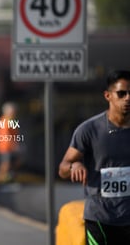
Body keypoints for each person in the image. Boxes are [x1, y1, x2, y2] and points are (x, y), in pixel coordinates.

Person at [58, 70, 130, 244]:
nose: (128, 98)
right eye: (122, 93)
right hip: (100, 219)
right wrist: (74, 166)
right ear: (108, 96)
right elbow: (63, 167)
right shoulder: (89, 130)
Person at [0, 102, 22, 181]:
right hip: (6, 147)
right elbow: (6, 135)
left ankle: (11, 179)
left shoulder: (11, 120)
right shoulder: (6, 121)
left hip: (10, 147)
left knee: (15, 162)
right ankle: (0, 180)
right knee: (6, 164)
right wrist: (14, 145)